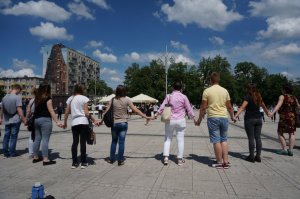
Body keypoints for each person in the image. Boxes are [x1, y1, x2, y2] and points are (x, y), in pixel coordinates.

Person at [102, 85, 152, 166]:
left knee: (114, 141)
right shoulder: (127, 100)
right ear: (124, 91)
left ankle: (111, 159)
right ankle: (120, 160)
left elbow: (106, 112)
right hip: (123, 123)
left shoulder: (112, 100)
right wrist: (145, 116)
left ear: (116, 91)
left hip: (114, 124)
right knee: (121, 142)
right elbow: (136, 110)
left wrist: (100, 121)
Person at [195, 72, 235, 169]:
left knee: (216, 140)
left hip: (213, 117)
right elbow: (229, 106)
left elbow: (203, 108)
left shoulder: (207, 91)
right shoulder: (225, 91)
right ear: (218, 80)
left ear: (211, 80)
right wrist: (232, 116)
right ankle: (226, 161)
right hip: (224, 117)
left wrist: (199, 120)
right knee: (224, 139)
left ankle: (219, 162)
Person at [155, 81, 196, 166]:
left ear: (173, 88)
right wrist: (194, 119)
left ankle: (166, 157)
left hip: (170, 120)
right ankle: (179, 159)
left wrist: (156, 114)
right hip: (181, 120)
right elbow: (189, 109)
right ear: (181, 88)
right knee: (180, 140)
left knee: (167, 138)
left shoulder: (169, 96)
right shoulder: (184, 97)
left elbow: (162, 106)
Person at [63, 84, 99, 169]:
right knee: (83, 142)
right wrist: (94, 120)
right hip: (83, 122)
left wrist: (65, 123)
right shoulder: (84, 98)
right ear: (82, 90)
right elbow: (86, 113)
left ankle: (74, 163)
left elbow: (67, 112)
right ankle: (83, 162)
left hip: (74, 123)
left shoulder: (70, 99)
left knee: (75, 142)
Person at [234, 84, 270, 163]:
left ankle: (251, 156)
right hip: (258, 119)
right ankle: (258, 156)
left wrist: (236, 115)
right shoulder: (259, 97)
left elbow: (243, 107)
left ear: (249, 90)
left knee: (251, 138)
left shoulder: (248, 97)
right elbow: (264, 106)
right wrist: (268, 113)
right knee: (258, 137)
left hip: (249, 119)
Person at [32, 83, 63, 166]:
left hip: (36, 120)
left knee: (37, 139)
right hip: (45, 120)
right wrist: (57, 121)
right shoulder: (48, 99)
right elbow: (51, 111)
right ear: (47, 90)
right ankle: (46, 159)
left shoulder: (37, 98)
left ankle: (35, 157)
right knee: (45, 140)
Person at [270, 85, 300, 156]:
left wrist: (272, 113)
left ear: (284, 90)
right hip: (292, 117)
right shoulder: (294, 97)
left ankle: (284, 149)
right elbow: (298, 106)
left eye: (282, 89)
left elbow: (278, 105)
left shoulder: (282, 96)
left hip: (284, 117)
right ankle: (290, 150)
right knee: (292, 133)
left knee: (280, 132)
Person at [0, 84, 26, 158]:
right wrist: (23, 119)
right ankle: (12, 153)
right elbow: (19, 109)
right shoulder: (17, 97)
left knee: (6, 136)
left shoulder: (4, 97)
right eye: (19, 91)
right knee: (13, 137)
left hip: (6, 120)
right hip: (15, 119)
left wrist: (1, 118)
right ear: (17, 89)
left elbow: (1, 109)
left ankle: (5, 153)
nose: (19, 92)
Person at [25, 88, 38, 159]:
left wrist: (26, 119)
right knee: (38, 137)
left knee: (31, 136)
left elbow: (28, 111)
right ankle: (36, 153)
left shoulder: (31, 101)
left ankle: (31, 153)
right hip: (39, 118)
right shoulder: (41, 100)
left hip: (32, 119)